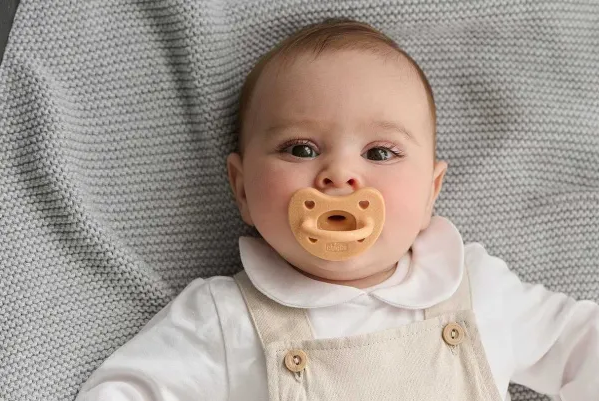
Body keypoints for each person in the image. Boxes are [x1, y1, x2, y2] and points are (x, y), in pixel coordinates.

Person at [75, 18, 599, 401]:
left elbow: (579, 343)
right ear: (242, 189)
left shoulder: (475, 288)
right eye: (301, 148)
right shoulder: (225, 317)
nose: (340, 175)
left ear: (430, 193)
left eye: (380, 153)